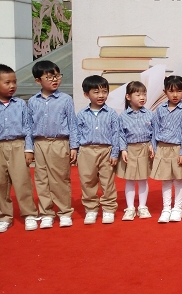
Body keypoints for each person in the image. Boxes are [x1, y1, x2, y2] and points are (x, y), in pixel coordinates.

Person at [28, 60, 78, 229]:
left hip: (59, 143)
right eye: (49, 77)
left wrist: (74, 146)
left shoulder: (66, 99)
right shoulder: (32, 101)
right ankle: (46, 213)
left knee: (60, 179)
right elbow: (28, 126)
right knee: (41, 180)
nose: (55, 80)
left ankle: (64, 212)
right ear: (38, 81)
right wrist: (29, 148)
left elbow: (72, 124)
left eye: (57, 76)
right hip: (39, 143)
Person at [151, 75, 182, 224]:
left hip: (178, 149)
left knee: (178, 180)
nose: (175, 95)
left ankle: (177, 209)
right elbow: (155, 130)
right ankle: (166, 209)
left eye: (179, 91)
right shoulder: (160, 110)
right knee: (166, 180)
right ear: (165, 92)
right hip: (162, 148)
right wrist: (154, 148)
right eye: (171, 91)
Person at [0, 64, 39, 232]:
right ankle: (4, 216)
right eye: (7, 82)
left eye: (14, 82)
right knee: (1, 184)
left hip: (18, 145)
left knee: (22, 182)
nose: (12, 86)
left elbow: (28, 127)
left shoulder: (21, 104)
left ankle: (29, 214)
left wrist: (29, 149)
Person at [77, 75, 120, 224]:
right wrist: (76, 151)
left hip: (106, 150)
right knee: (87, 181)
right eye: (96, 92)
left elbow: (116, 134)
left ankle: (108, 209)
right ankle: (91, 209)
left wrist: (115, 153)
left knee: (107, 182)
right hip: (86, 150)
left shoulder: (112, 113)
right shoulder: (81, 114)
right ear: (86, 94)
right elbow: (77, 134)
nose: (101, 95)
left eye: (104, 91)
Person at [118, 81, 154, 221]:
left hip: (145, 148)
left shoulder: (150, 114)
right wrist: (123, 149)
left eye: (144, 94)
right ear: (128, 97)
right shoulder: (123, 116)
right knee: (130, 180)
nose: (142, 97)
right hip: (130, 149)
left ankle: (142, 207)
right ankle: (130, 208)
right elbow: (120, 134)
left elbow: (154, 132)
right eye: (138, 94)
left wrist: (152, 144)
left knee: (143, 179)